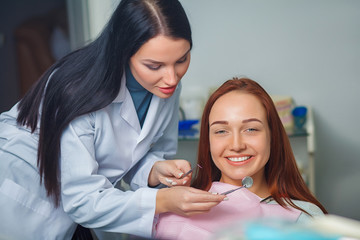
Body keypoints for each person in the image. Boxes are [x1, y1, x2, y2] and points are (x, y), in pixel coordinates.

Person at [0, 0, 226, 239]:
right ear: (123, 52)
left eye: (182, 60)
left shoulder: (166, 88)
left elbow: (132, 153)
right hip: (22, 198)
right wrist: (161, 200)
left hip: (80, 205)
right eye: (154, 65)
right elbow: (83, 200)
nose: (171, 77)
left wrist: (155, 170)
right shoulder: (77, 92)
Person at [155, 77, 327, 240]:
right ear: (208, 140)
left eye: (251, 129)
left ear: (272, 135)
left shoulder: (306, 219)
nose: (236, 145)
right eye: (221, 131)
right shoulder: (174, 210)